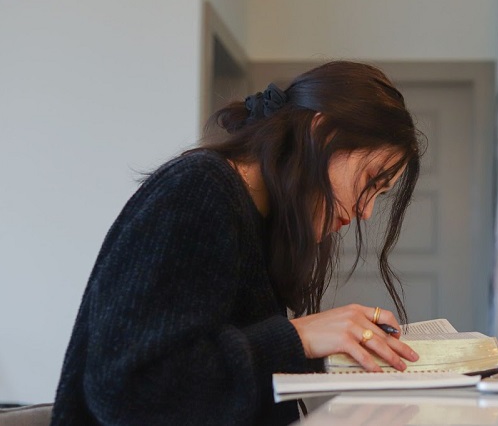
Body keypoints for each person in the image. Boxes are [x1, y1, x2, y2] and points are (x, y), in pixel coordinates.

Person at [51, 61, 424, 425]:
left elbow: (225, 366)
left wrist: (331, 350)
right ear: (321, 134)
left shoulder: (260, 217)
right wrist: (298, 338)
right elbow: (132, 390)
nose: (367, 212)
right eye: (371, 180)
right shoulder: (198, 190)